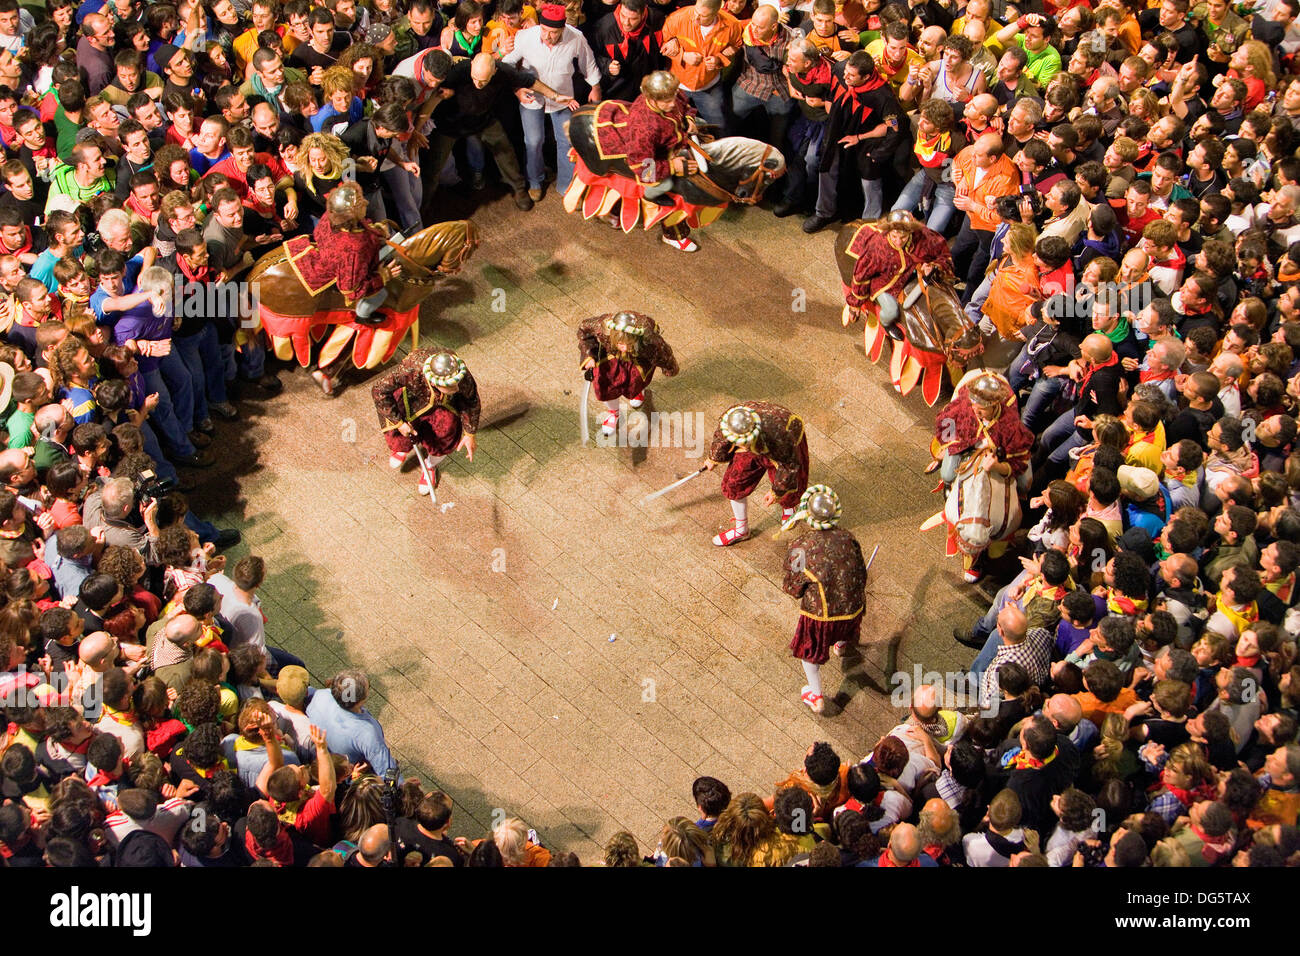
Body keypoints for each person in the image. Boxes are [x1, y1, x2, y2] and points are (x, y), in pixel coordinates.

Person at [780, 485, 866, 714]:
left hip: (821, 614)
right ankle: (842, 644)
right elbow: (861, 571)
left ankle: (816, 695)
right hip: (853, 606)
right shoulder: (849, 537)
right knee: (845, 628)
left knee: (810, 653)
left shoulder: (800, 547)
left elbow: (793, 587)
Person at [371, 348, 480, 495]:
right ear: (434, 383)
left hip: (445, 406)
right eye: (449, 386)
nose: (456, 388)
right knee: (400, 432)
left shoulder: (461, 375)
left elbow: (471, 400)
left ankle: (430, 466)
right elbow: (379, 390)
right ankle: (402, 448)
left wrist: (470, 433)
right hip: (413, 399)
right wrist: (399, 422)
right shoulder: (411, 369)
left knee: (446, 433)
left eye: (456, 383)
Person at [704, 402, 810, 546]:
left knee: (789, 486)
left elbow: (789, 466)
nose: (737, 446)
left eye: (741, 443)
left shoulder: (781, 438)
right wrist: (714, 457)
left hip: (779, 446)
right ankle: (741, 530)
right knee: (733, 483)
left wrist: (776, 492)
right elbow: (722, 437)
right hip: (755, 444)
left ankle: (789, 507)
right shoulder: (732, 420)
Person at [578, 311, 679, 437]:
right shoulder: (601, 326)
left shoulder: (649, 339)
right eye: (620, 343)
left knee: (635, 384)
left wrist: (669, 368)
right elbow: (584, 330)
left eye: (629, 343)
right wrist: (589, 354)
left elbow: (663, 353)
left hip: (637, 363)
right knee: (605, 387)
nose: (624, 347)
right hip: (610, 360)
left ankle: (637, 393)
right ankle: (613, 413)